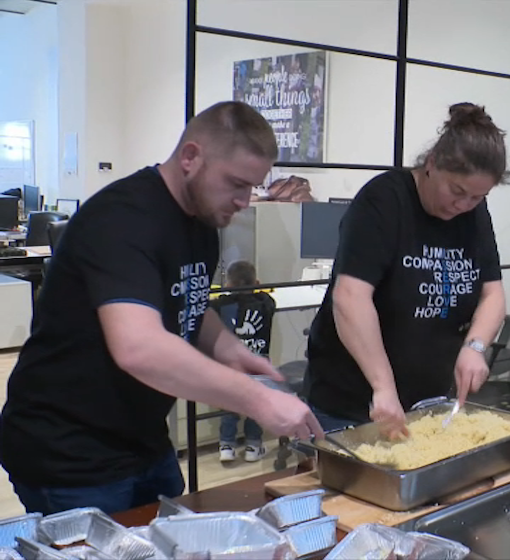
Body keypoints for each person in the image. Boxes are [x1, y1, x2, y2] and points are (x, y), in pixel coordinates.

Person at [0, 101, 324, 516]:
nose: (245, 201)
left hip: (143, 440)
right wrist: (256, 401)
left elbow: (186, 300)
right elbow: (139, 348)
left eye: (253, 187)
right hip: (68, 450)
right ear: (191, 157)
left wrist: (232, 351)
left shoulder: (204, 220)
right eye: (236, 184)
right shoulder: (123, 218)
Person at [305, 102, 507, 438]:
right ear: (432, 164)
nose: (463, 205)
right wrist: (383, 387)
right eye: (457, 191)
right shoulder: (384, 201)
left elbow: (493, 292)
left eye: (477, 197)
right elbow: (351, 297)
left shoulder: (473, 213)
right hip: (354, 403)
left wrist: (475, 348)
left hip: (428, 403)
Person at [209, 260, 277, 463]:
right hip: (258, 364)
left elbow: (210, 305)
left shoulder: (220, 305)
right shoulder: (267, 303)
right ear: (256, 283)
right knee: (256, 405)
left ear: (228, 285)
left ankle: (226, 445)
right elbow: (267, 296)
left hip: (231, 365)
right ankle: (253, 446)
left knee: (230, 405)